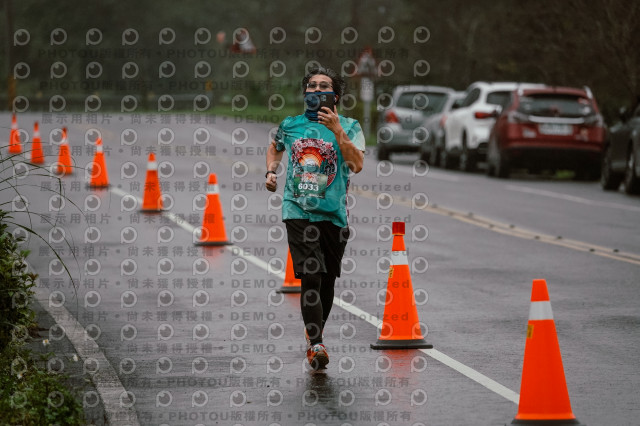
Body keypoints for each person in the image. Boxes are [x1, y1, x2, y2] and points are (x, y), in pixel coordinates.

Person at [265, 66, 365, 369]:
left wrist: (337, 131)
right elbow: (274, 146)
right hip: (297, 210)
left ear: (335, 96)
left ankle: (314, 336)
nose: (316, 90)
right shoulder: (290, 124)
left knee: (327, 281)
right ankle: (317, 342)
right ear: (305, 93)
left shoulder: (350, 126)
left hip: (334, 214)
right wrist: (271, 170)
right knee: (311, 273)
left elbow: (357, 164)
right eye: (311, 86)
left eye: (323, 86)